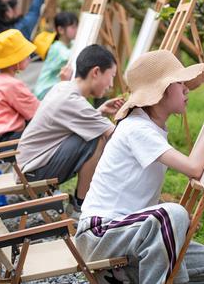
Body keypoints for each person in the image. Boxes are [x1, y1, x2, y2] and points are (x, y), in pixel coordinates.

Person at [75, 50, 204, 284]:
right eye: (179, 83)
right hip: (99, 234)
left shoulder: (149, 126)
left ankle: (120, 275)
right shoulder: (138, 128)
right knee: (172, 214)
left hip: (125, 232)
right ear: (160, 91)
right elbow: (195, 168)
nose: (186, 89)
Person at [16, 44, 125, 216]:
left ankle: (81, 202)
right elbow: (117, 136)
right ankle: (79, 207)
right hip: (32, 175)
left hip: (27, 167)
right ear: (95, 72)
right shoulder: (72, 100)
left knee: (92, 134)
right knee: (96, 139)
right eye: (111, 76)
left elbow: (72, 121)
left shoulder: (63, 88)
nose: (111, 84)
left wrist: (100, 111)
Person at [0, 29, 39, 147]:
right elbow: (36, 112)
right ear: (15, 60)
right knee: (47, 131)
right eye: (25, 54)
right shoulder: (11, 84)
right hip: (4, 138)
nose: (29, 57)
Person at [33, 12, 79, 100]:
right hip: (44, 90)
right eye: (73, 27)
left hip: (53, 88)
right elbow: (69, 56)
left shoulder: (70, 44)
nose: (76, 30)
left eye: (77, 26)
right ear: (61, 30)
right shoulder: (56, 47)